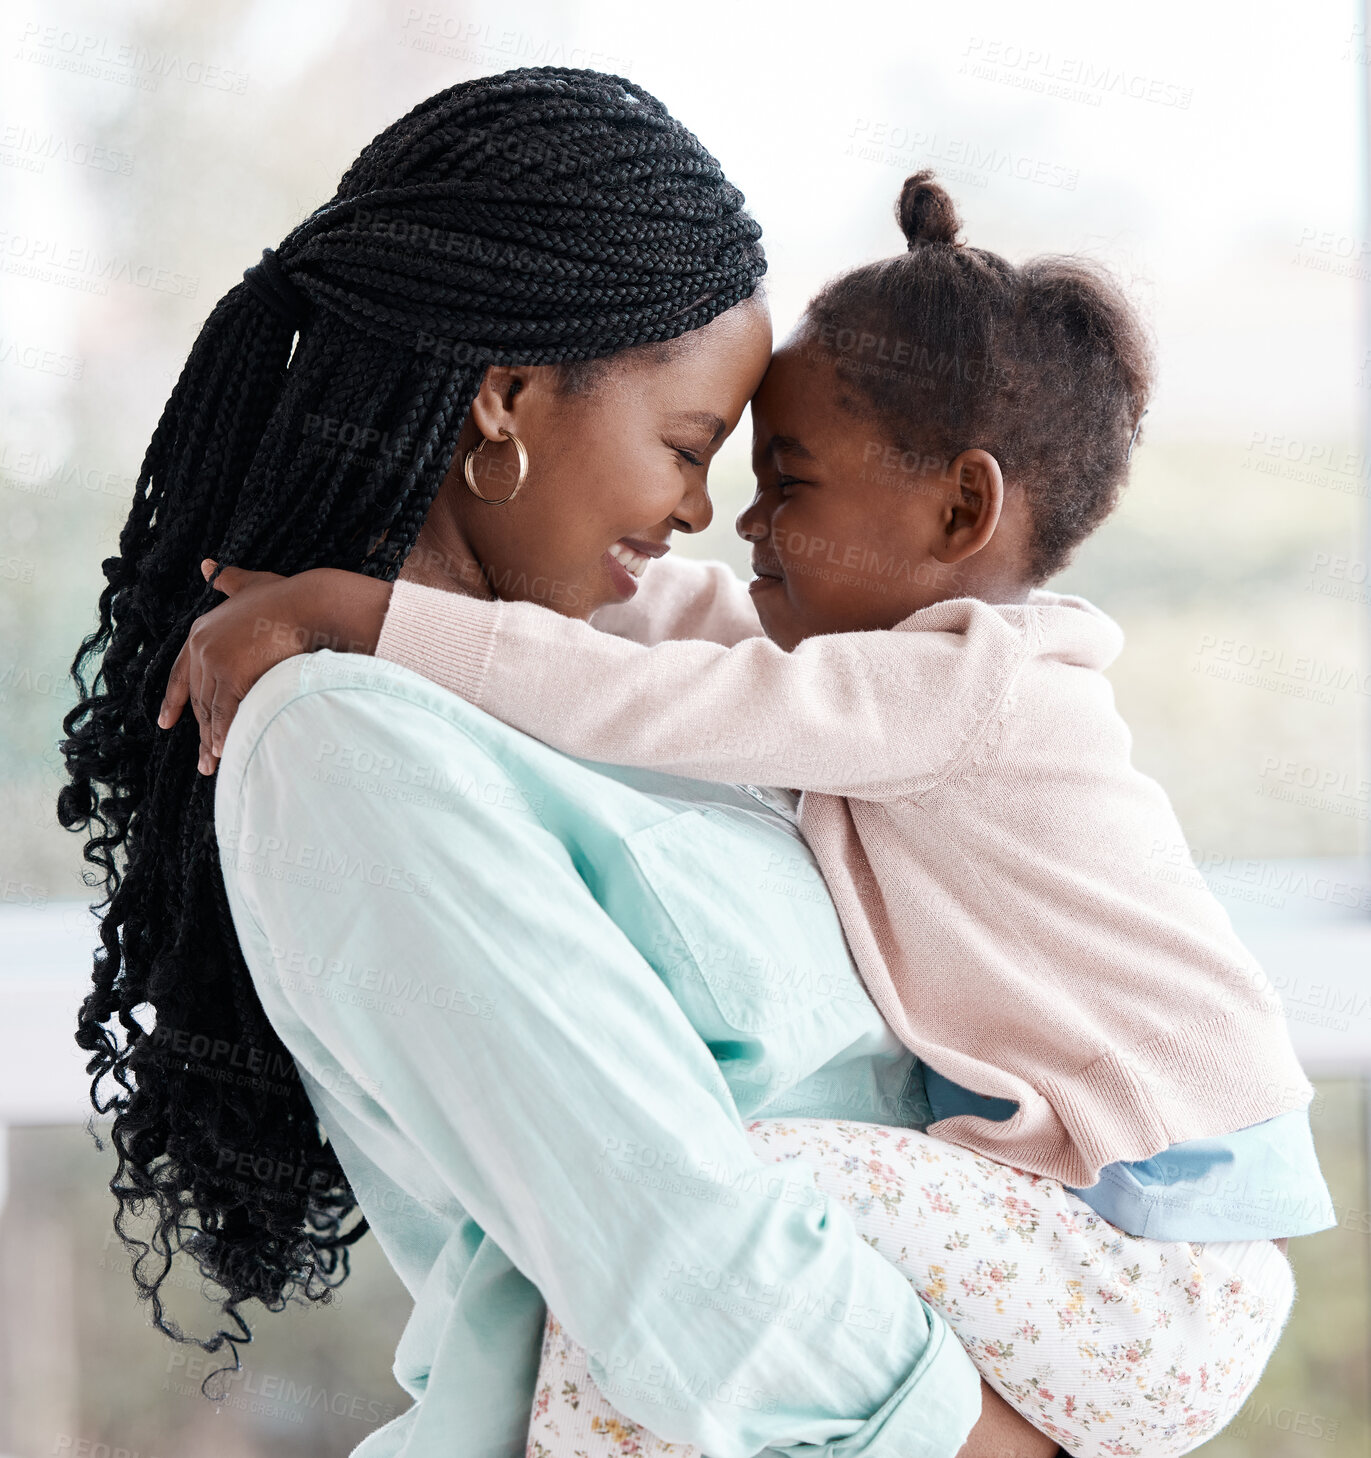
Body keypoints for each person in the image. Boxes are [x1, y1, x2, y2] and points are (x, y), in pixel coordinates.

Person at [162, 172, 1335, 1457]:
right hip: (1111, 1248)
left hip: (1161, 1259)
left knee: (736, 1193)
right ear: (503, 403)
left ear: (961, 508)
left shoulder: (969, 686)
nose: (731, 519)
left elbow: (649, 696)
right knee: (691, 1222)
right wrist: (364, 581)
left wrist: (365, 613)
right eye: (694, 452)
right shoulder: (882, 673)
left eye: (783, 479)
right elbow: (659, 627)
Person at [64, 68, 1051, 1458]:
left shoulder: (582, 683)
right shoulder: (340, 743)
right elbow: (679, 1253)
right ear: (510, 399)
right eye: (685, 444)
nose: (701, 509)